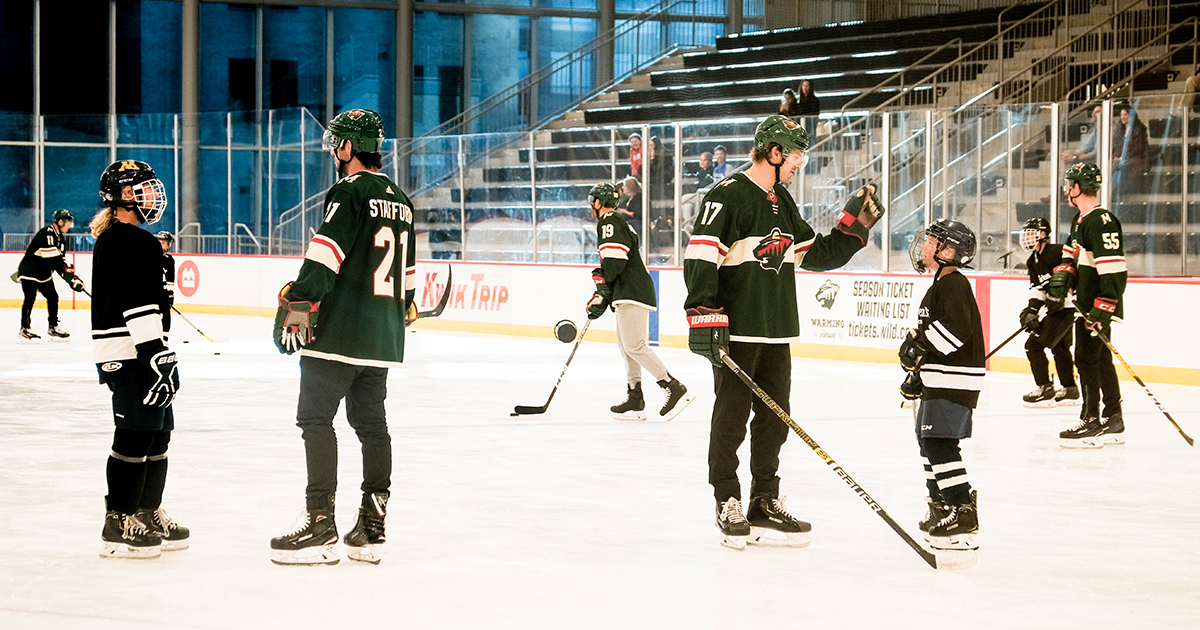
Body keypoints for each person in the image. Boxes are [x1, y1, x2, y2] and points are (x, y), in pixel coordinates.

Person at [683, 115, 884, 550]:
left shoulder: (782, 201)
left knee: (774, 422)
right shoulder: (728, 196)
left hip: (776, 330)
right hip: (740, 330)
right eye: (795, 157)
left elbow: (816, 255)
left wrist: (855, 227)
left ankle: (764, 500)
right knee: (732, 419)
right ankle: (727, 499)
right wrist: (704, 315)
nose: (799, 164)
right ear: (774, 153)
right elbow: (700, 257)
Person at [270, 108, 416, 565]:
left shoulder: (348, 191)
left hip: (338, 333)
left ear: (349, 147)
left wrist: (296, 301)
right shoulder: (401, 199)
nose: (334, 151)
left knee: (315, 420)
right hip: (383, 338)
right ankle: (372, 526)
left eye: (337, 143)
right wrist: (400, 309)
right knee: (373, 427)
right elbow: (407, 280)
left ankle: (320, 524)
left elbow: (325, 255)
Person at [90, 159, 188, 559]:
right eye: (144, 188)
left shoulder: (133, 239)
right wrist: (153, 355)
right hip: (129, 353)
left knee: (157, 432)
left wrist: (158, 351)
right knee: (133, 435)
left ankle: (146, 510)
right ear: (125, 195)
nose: (153, 195)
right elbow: (137, 303)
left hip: (144, 350)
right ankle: (118, 518)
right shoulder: (127, 240)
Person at [898, 218, 984, 553]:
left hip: (954, 379)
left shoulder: (953, 283)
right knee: (928, 441)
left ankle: (962, 510)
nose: (926, 246)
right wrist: (918, 373)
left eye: (934, 242)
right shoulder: (940, 284)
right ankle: (941, 505)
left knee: (939, 444)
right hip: (941, 377)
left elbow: (956, 331)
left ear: (950, 252)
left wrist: (919, 345)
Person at [586, 182, 694, 422]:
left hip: (632, 291)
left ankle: (674, 387)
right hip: (629, 290)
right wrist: (604, 291)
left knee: (634, 345)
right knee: (627, 346)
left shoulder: (609, 221)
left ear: (597, 202)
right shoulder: (617, 221)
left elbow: (614, 262)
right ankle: (635, 398)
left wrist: (602, 286)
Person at [1048, 162, 1126, 449]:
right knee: (1100, 359)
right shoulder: (1079, 221)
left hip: (1097, 305)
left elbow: (1114, 269)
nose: (1068, 189)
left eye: (1071, 184)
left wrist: (1103, 309)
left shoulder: (1101, 220)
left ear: (1079, 187)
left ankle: (1092, 420)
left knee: (1086, 357)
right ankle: (1114, 418)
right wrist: (1064, 276)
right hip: (1085, 304)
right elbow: (1072, 256)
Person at [1016, 217, 1079, 407]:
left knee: (1033, 346)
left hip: (1067, 309)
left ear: (1043, 234)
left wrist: (1063, 295)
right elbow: (1037, 289)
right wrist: (1031, 311)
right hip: (1056, 311)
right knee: (1059, 347)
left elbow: (1073, 273)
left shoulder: (1058, 252)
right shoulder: (1032, 260)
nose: (1027, 237)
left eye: (1031, 232)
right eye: (1026, 233)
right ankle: (1070, 389)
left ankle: (1045, 388)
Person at [16, 208, 85, 343]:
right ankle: (24, 330)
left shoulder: (61, 239)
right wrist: (70, 280)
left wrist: (73, 279)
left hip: (43, 273)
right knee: (30, 298)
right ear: (60, 222)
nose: (70, 226)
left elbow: (61, 262)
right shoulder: (47, 233)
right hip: (29, 271)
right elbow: (54, 260)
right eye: (68, 222)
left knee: (53, 297)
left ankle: (53, 328)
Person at [1111, 105, 1149, 198]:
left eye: (1126, 115)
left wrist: (1122, 157)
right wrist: (1116, 157)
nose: (1123, 117)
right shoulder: (1120, 130)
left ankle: (1115, 194)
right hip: (1121, 159)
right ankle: (1111, 193)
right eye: (1121, 115)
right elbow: (1116, 146)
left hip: (1136, 158)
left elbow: (1139, 149)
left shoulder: (1139, 130)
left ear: (1131, 116)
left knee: (1120, 167)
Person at [156, 232, 176, 337]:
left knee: (166, 316)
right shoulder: (152, 257)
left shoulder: (169, 260)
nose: (161, 244)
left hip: (163, 293)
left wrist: (170, 295)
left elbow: (170, 279)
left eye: (164, 242)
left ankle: (165, 339)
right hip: (153, 292)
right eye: (160, 242)